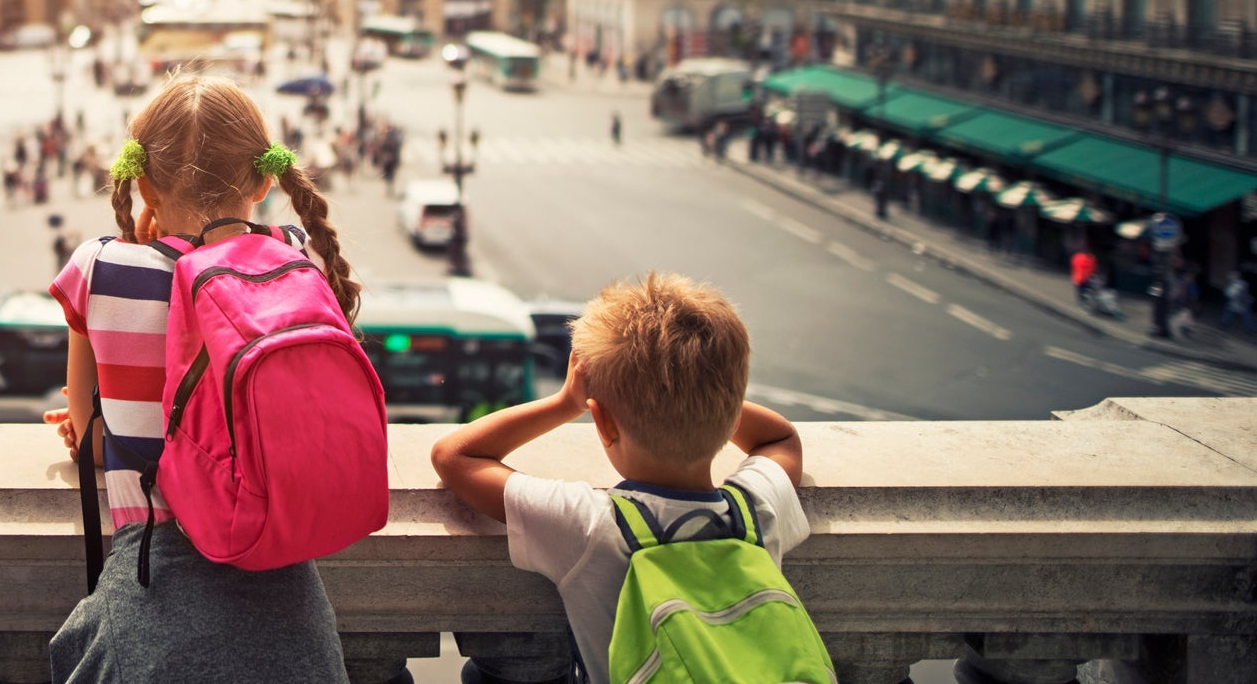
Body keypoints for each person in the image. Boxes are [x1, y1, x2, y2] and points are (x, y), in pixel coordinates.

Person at [42, 72, 358, 682]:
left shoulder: (100, 267)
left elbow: (93, 437)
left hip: (151, 580)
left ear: (144, 186)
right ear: (266, 180)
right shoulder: (301, 257)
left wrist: (107, 423)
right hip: (289, 590)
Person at [429, 273, 813, 684]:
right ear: (733, 409)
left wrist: (564, 403)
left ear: (603, 422)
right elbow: (781, 439)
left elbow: (455, 456)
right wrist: (712, 390)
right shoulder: (757, 510)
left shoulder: (591, 526)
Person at [1222, 272, 1256, 336]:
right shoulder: (1234, 284)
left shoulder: (1242, 284)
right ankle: (1224, 325)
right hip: (1235, 304)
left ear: (1235, 277)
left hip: (1241, 304)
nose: (1229, 278)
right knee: (1228, 314)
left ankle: (1252, 330)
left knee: (1247, 317)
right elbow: (1227, 293)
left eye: (1231, 276)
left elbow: (1232, 294)